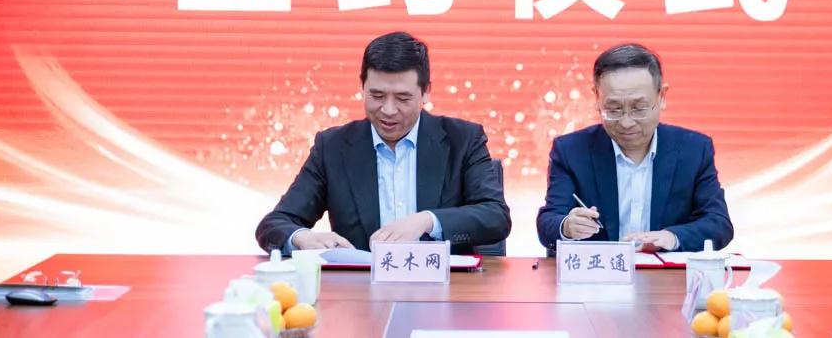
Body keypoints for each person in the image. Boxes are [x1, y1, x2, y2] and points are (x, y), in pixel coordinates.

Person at [257, 31, 511, 255]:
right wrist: (302, 238)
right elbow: (274, 224)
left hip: (447, 287)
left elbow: (496, 217)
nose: (388, 110)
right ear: (362, 87)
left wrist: (428, 221)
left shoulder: (463, 140)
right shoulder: (333, 147)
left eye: (403, 98)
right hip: (360, 288)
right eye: (377, 95)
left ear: (426, 92)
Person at [536, 43, 733, 252]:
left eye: (639, 108)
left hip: (664, 272)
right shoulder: (570, 151)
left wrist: (672, 237)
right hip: (599, 270)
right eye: (614, 109)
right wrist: (567, 226)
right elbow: (548, 222)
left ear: (661, 96)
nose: (626, 122)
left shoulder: (694, 150)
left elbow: (718, 223)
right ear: (596, 97)